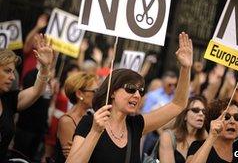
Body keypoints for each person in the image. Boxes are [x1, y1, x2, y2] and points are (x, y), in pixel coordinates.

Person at [65, 32, 193, 163]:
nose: (137, 95)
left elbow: (178, 104)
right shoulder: (89, 123)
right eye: (130, 89)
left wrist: (186, 68)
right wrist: (95, 132)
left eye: (141, 91)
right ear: (113, 92)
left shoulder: (136, 125)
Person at [0, 34, 54, 161]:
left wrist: (45, 67)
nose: (13, 77)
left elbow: (36, 91)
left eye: (13, 72)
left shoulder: (9, 100)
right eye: (7, 71)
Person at [54, 72, 99, 162]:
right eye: (95, 91)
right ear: (79, 94)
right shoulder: (67, 121)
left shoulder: (91, 117)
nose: (97, 95)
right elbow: (74, 157)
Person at [159, 96, 207, 163]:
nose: (201, 114)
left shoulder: (206, 139)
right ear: (184, 116)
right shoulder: (168, 136)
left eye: (204, 111)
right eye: (195, 110)